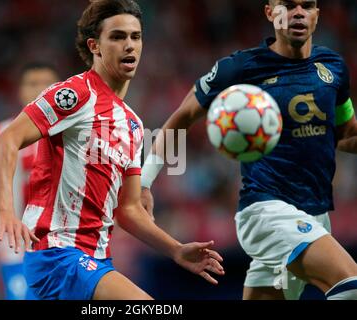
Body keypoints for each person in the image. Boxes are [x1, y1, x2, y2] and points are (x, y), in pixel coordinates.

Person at [0, 0, 224, 300]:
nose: (129, 45)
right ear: (95, 46)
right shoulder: (75, 94)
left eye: (135, 37)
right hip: (58, 256)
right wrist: (6, 213)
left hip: (95, 259)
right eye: (117, 36)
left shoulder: (133, 125)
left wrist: (175, 250)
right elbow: (4, 143)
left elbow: (127, 209)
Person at [141, 0, 357, 300]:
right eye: (288, 5)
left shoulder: (333, 67)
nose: (298, 13)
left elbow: (346, 135)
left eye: (307, 6)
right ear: (270, 12)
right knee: (351, 285)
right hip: (267, 211)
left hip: (316, 212)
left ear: (317, 15)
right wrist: (143, 182)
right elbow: (181, 117)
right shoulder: (240, 67)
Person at [0, 63, 59, 299]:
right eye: (32, 83)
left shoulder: (73, 132)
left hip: (65, 246)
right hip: (18, 250)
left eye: (47, 83)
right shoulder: (3, 134)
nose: (40, 89)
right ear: (20, 91)